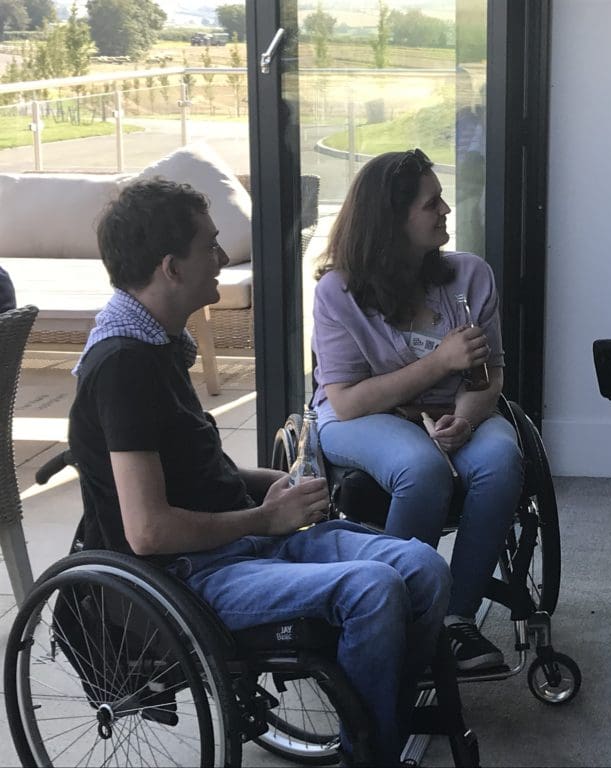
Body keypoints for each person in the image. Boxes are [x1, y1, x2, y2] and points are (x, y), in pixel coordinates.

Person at [67, 177, 450, 764]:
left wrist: (264, 485)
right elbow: (148, 532)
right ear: (171, 267)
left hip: (240, 544)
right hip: (189, 575)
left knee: (423, 567)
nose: (223, 259)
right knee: (372, 590)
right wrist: (264, 519)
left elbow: (189, 472)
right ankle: (373, 747)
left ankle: (378, 720)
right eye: (210, 247)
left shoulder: (155, 343)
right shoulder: (122, 367)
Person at [312, 148, 524, 672]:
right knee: (421, 467)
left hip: (456, 408)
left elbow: (489, 372)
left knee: (501, 461)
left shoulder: (470, 276)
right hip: (360, 416)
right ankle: (396, 617)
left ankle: (455, 621)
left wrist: (468, 417)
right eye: (432, 203)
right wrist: (438, 365)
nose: (446, 209)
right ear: (391, 219)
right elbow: (347, 397)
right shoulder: (337, 292)